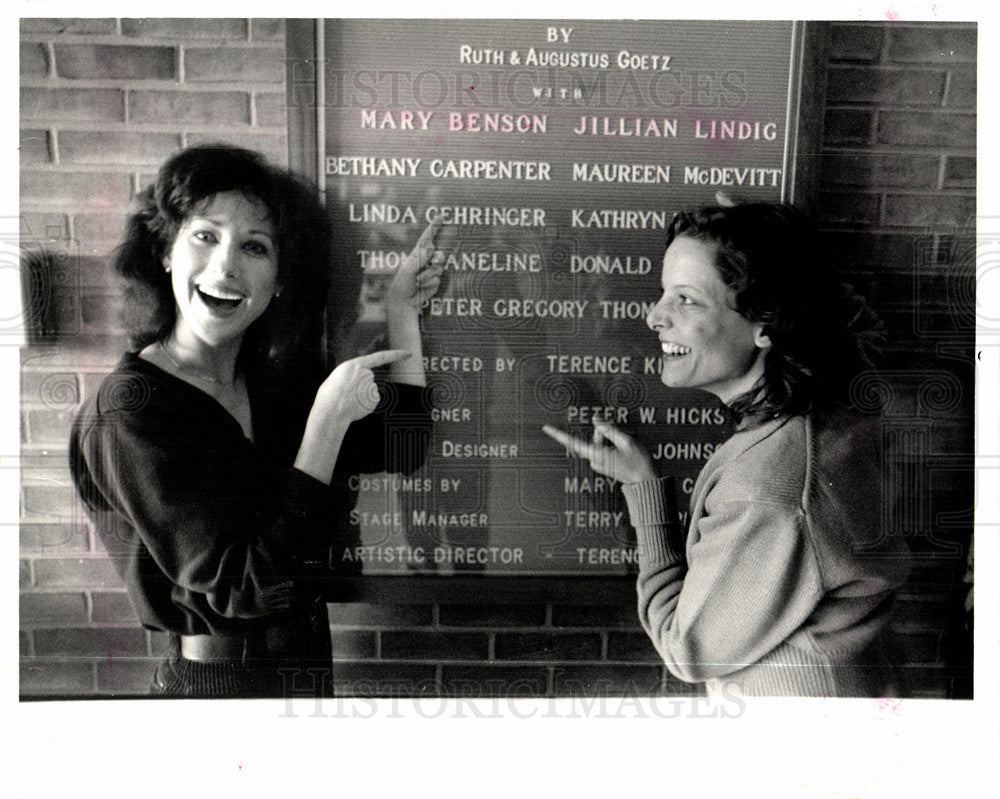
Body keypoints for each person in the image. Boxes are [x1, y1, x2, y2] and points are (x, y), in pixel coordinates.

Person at [70, 144, 450, 698]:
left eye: (254, 246)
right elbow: (249, 589)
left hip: (306, 666)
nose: (225, 264)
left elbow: (403, 447)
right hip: (219, 686)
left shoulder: (268, 379)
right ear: (166, 252)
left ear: (278, 281)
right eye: (205, 235)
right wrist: (325, 424)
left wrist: (401, 315)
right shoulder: (131, 411)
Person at [543, 202, 911, 698]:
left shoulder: (767, 491)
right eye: (662, 293)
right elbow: (861, 331)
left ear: (767, 324)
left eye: (687, 300)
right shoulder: (835, 399)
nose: (654, 317)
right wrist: (773, 258)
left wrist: (643, 493)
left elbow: (689, 651)